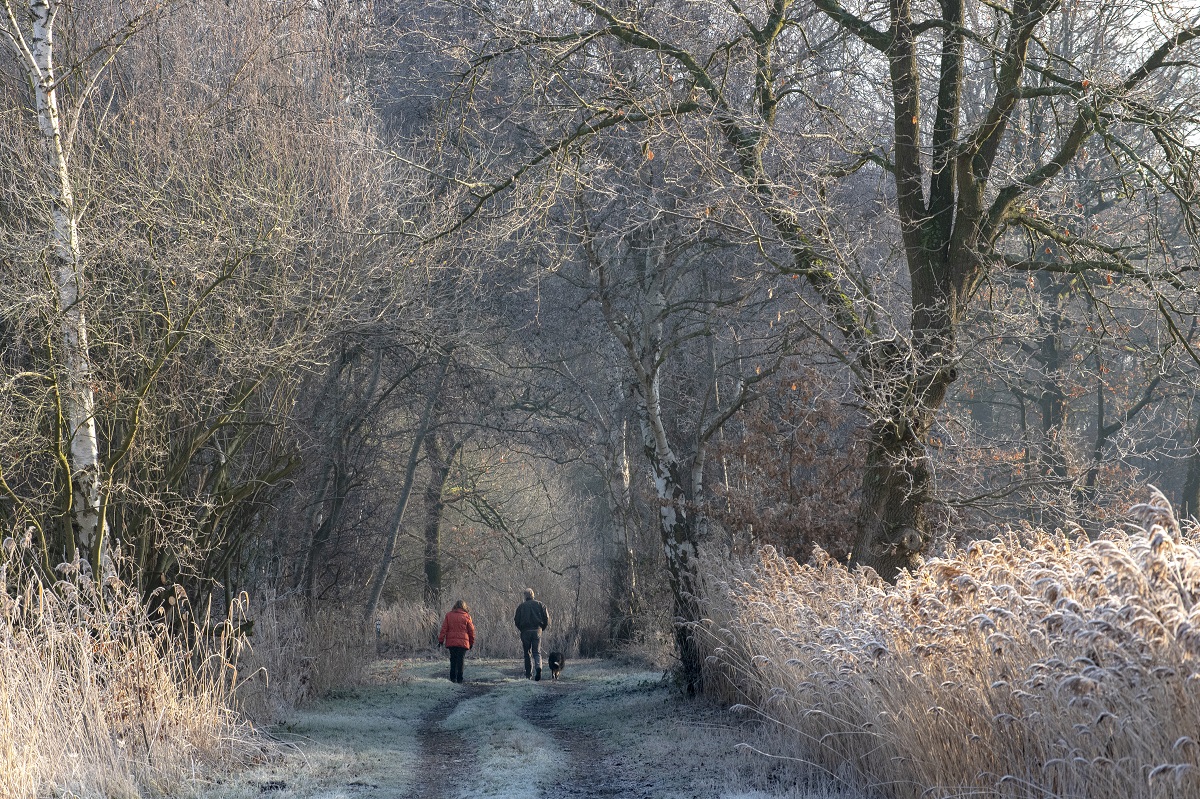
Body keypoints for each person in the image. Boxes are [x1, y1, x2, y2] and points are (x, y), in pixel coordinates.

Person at [513, 588, 550, 680]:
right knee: (537, 652)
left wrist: (522, 629)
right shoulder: (541, 605)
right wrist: (541, 628)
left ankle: (528, 675)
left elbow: (516, 620)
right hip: (537, 630)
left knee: (527, 653)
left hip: (525, 631)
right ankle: (538, 668)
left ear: (525, 596)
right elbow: (546, 619)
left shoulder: (521, 606)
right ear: (533, 595)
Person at [438, 599, 476, 684]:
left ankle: (452, 678)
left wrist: (441, 640)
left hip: (452, 642)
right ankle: (460, 679)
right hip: (463, 642)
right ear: (464, 607)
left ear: (455, 606)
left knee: (453, 659)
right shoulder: (467, 616)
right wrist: (471, 642)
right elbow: (471, 631)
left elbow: (444, 629)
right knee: (461, 660)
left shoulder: (449, 615)